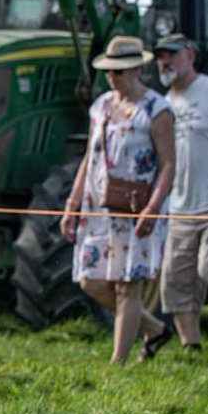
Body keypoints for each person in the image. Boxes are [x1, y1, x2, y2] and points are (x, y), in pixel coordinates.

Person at [60, 35, 176, 364]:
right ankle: (154, 329)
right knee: (91, 281)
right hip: (98, 206)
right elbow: (90, 158)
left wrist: (153, 209)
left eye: (119, 71)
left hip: (137, 208)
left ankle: (118, 365)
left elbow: (169, 164)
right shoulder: (100, 107)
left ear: (137, 69)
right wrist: (72, 204)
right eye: (109, 70)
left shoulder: (156, 109)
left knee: (127, 286)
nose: (113, 76)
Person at [155, 33, 208, 352]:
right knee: (176, 284)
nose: (165, 62)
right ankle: (191, 348)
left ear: (190, 55)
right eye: (160, 56)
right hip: (179, 207)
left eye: (172, 55)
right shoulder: (162, 104)